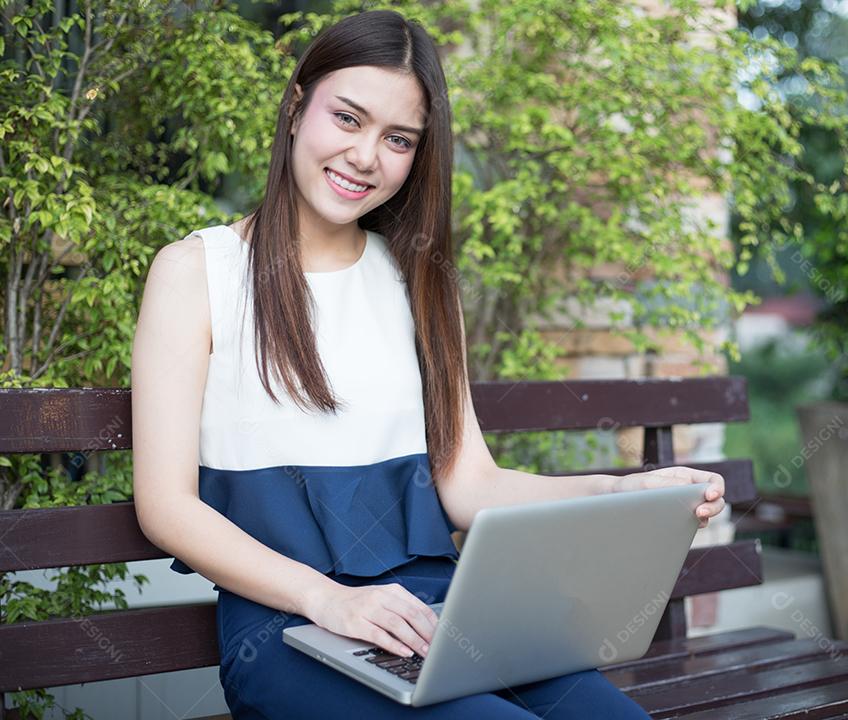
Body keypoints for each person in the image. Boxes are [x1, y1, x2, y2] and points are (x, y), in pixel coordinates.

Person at [130, 9, 726, 718]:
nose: (365, 156)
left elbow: (468, 484)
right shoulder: (198, 272)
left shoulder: (418, 280)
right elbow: (166, 506)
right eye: (347, 119)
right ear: (296, 109)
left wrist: (616, 491)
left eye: (397, 139)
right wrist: (329, 599)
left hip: (445, 618)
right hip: (289, 629)